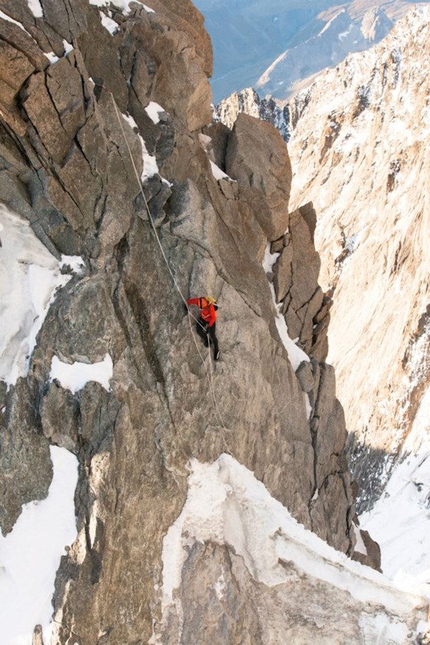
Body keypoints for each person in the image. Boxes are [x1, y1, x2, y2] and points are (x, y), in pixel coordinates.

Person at [186, 296, 220, 360]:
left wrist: (209, 326)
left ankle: (217, 350)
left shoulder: (210, 307)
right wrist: (186, 304)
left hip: (210, 320)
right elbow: (192, 301)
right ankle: (208, 340)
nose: (200, 308)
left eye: (201, 307)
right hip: (203, 318)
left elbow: (214, 318)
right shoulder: (199, 301)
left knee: (212, 335)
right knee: (199, 330)